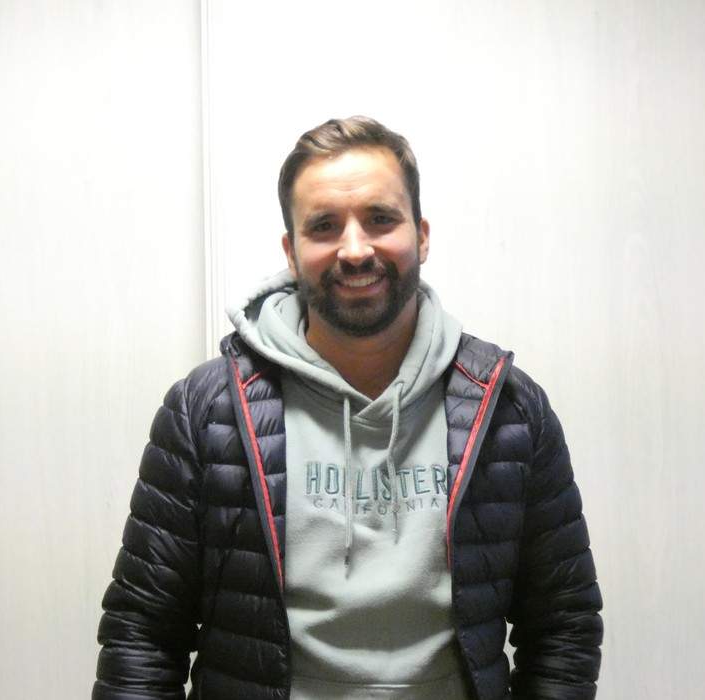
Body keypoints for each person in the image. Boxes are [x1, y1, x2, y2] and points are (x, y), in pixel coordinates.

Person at [92, 116, 603, 700]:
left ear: (422, 236)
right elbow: (142, 634)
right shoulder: (208, 412)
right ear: (291, 251)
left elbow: (564, 625)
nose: (355, 249)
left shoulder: (508, 408)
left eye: (380, 219)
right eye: (324, 226)